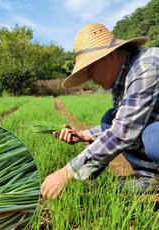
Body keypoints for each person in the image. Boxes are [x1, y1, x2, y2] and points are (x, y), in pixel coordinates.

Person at [41, 23, 159, 199]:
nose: (89, 77)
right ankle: (151, 177)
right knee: (108, 120)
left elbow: (122, 133)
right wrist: (86, 134)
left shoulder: (145, 67)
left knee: (153, 136)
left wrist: (66, 173)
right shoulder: (120, 79)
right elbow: (124, 120)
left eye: (90, 68)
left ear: (110, 55)